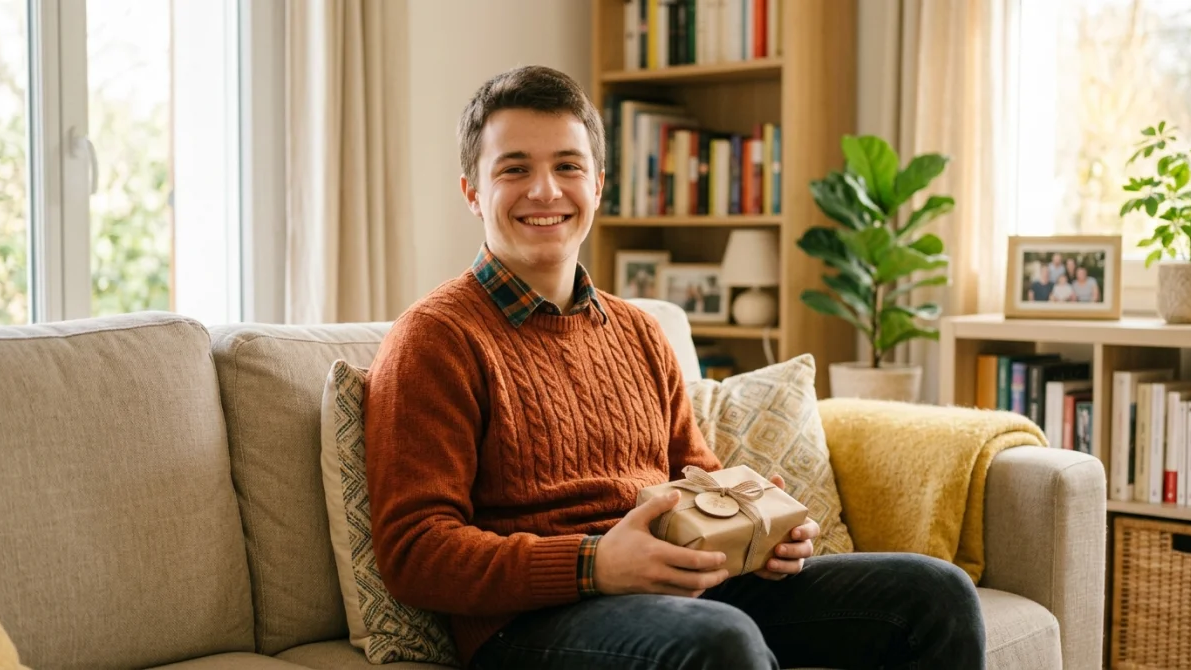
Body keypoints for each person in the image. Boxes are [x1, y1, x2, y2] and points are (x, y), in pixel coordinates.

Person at [363, 65, 985, 670]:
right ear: (473, 191)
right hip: (530, 622)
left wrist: (756, 532)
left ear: (598, 184)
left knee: (936, 595)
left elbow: (699, 477)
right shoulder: (434, 338)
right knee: (719, 641)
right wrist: (595, 563)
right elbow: (416, 550)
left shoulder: (639, 332)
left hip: (681, 586)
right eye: (515, 169)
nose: (546, 190)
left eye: (567, 166)